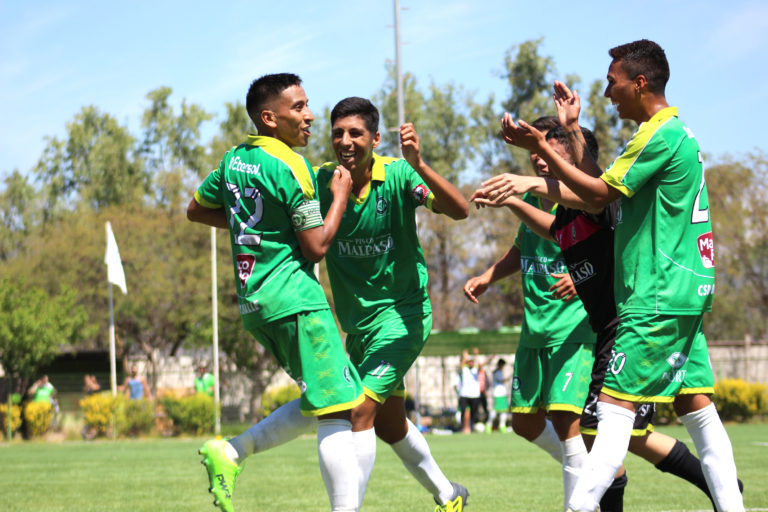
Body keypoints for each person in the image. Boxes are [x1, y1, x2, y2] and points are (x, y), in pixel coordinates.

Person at [498, 40, 743, 512]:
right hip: (686, 294)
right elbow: (604, 197)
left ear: (640, 81)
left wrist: (540, 148)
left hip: (653, 296)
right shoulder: (677, 133)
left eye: (613, 83)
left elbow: (592, 196)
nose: (608, 94)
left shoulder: (657, 134)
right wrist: (569, 131)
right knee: (699, 411)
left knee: (611, 417)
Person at [187, 73, 369, 512]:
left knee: (335, 399)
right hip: (297, 301)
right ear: (270, 117)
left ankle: (231, 452)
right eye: (299, 108)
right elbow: (317, 247)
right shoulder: (292, 166)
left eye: (308, 106)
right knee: (341, 409)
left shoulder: (233, 160)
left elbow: (196, 209)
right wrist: (340, 195)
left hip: (257, 304)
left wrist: (256, 231)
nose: (309, 117)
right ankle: (235, 452)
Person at [314, 97, 470, 511]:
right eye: (338, 133)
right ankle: (448, 494)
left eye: (355, 133)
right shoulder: (321, 181)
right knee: (390, 423)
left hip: (403, 317)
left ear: (376, 138)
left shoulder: (400, 175)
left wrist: (418, 164)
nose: (345, 141)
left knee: (359, 411)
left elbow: (460, 210)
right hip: (359, 327)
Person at [464, 116, 596, 511]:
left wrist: (582, 276)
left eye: (551, 152)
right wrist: (489, 275)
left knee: (565, 421)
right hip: (534, 329)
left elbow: (599, 245)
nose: (541, 160)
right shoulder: (535, 199)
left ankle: (581, 495)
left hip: (574, 328)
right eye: (536, 152)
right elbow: (524, 247)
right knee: (523, 423)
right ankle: (590, 470)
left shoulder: (582, 198)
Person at [456, 349, 482, 434]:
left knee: (474, 412)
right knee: (464, 412)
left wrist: (476, 355)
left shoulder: (475, 370)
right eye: (469, 362)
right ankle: (464, 427)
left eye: (472, 362)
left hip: (475, 395)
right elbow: (460, 366)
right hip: (464, 394)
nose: (470, 363)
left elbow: (480, 365)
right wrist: (465, 357)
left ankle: (471, 426)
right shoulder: (464, 370)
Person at [487, 358, 511, 433]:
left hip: (502, 394)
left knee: (504, 410)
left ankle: (502, 426)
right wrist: (511, 376)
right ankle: (488, 425)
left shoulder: (499, 372)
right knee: (496, 410)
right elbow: (503, 380)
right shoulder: (496, 372)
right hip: (498, 394)